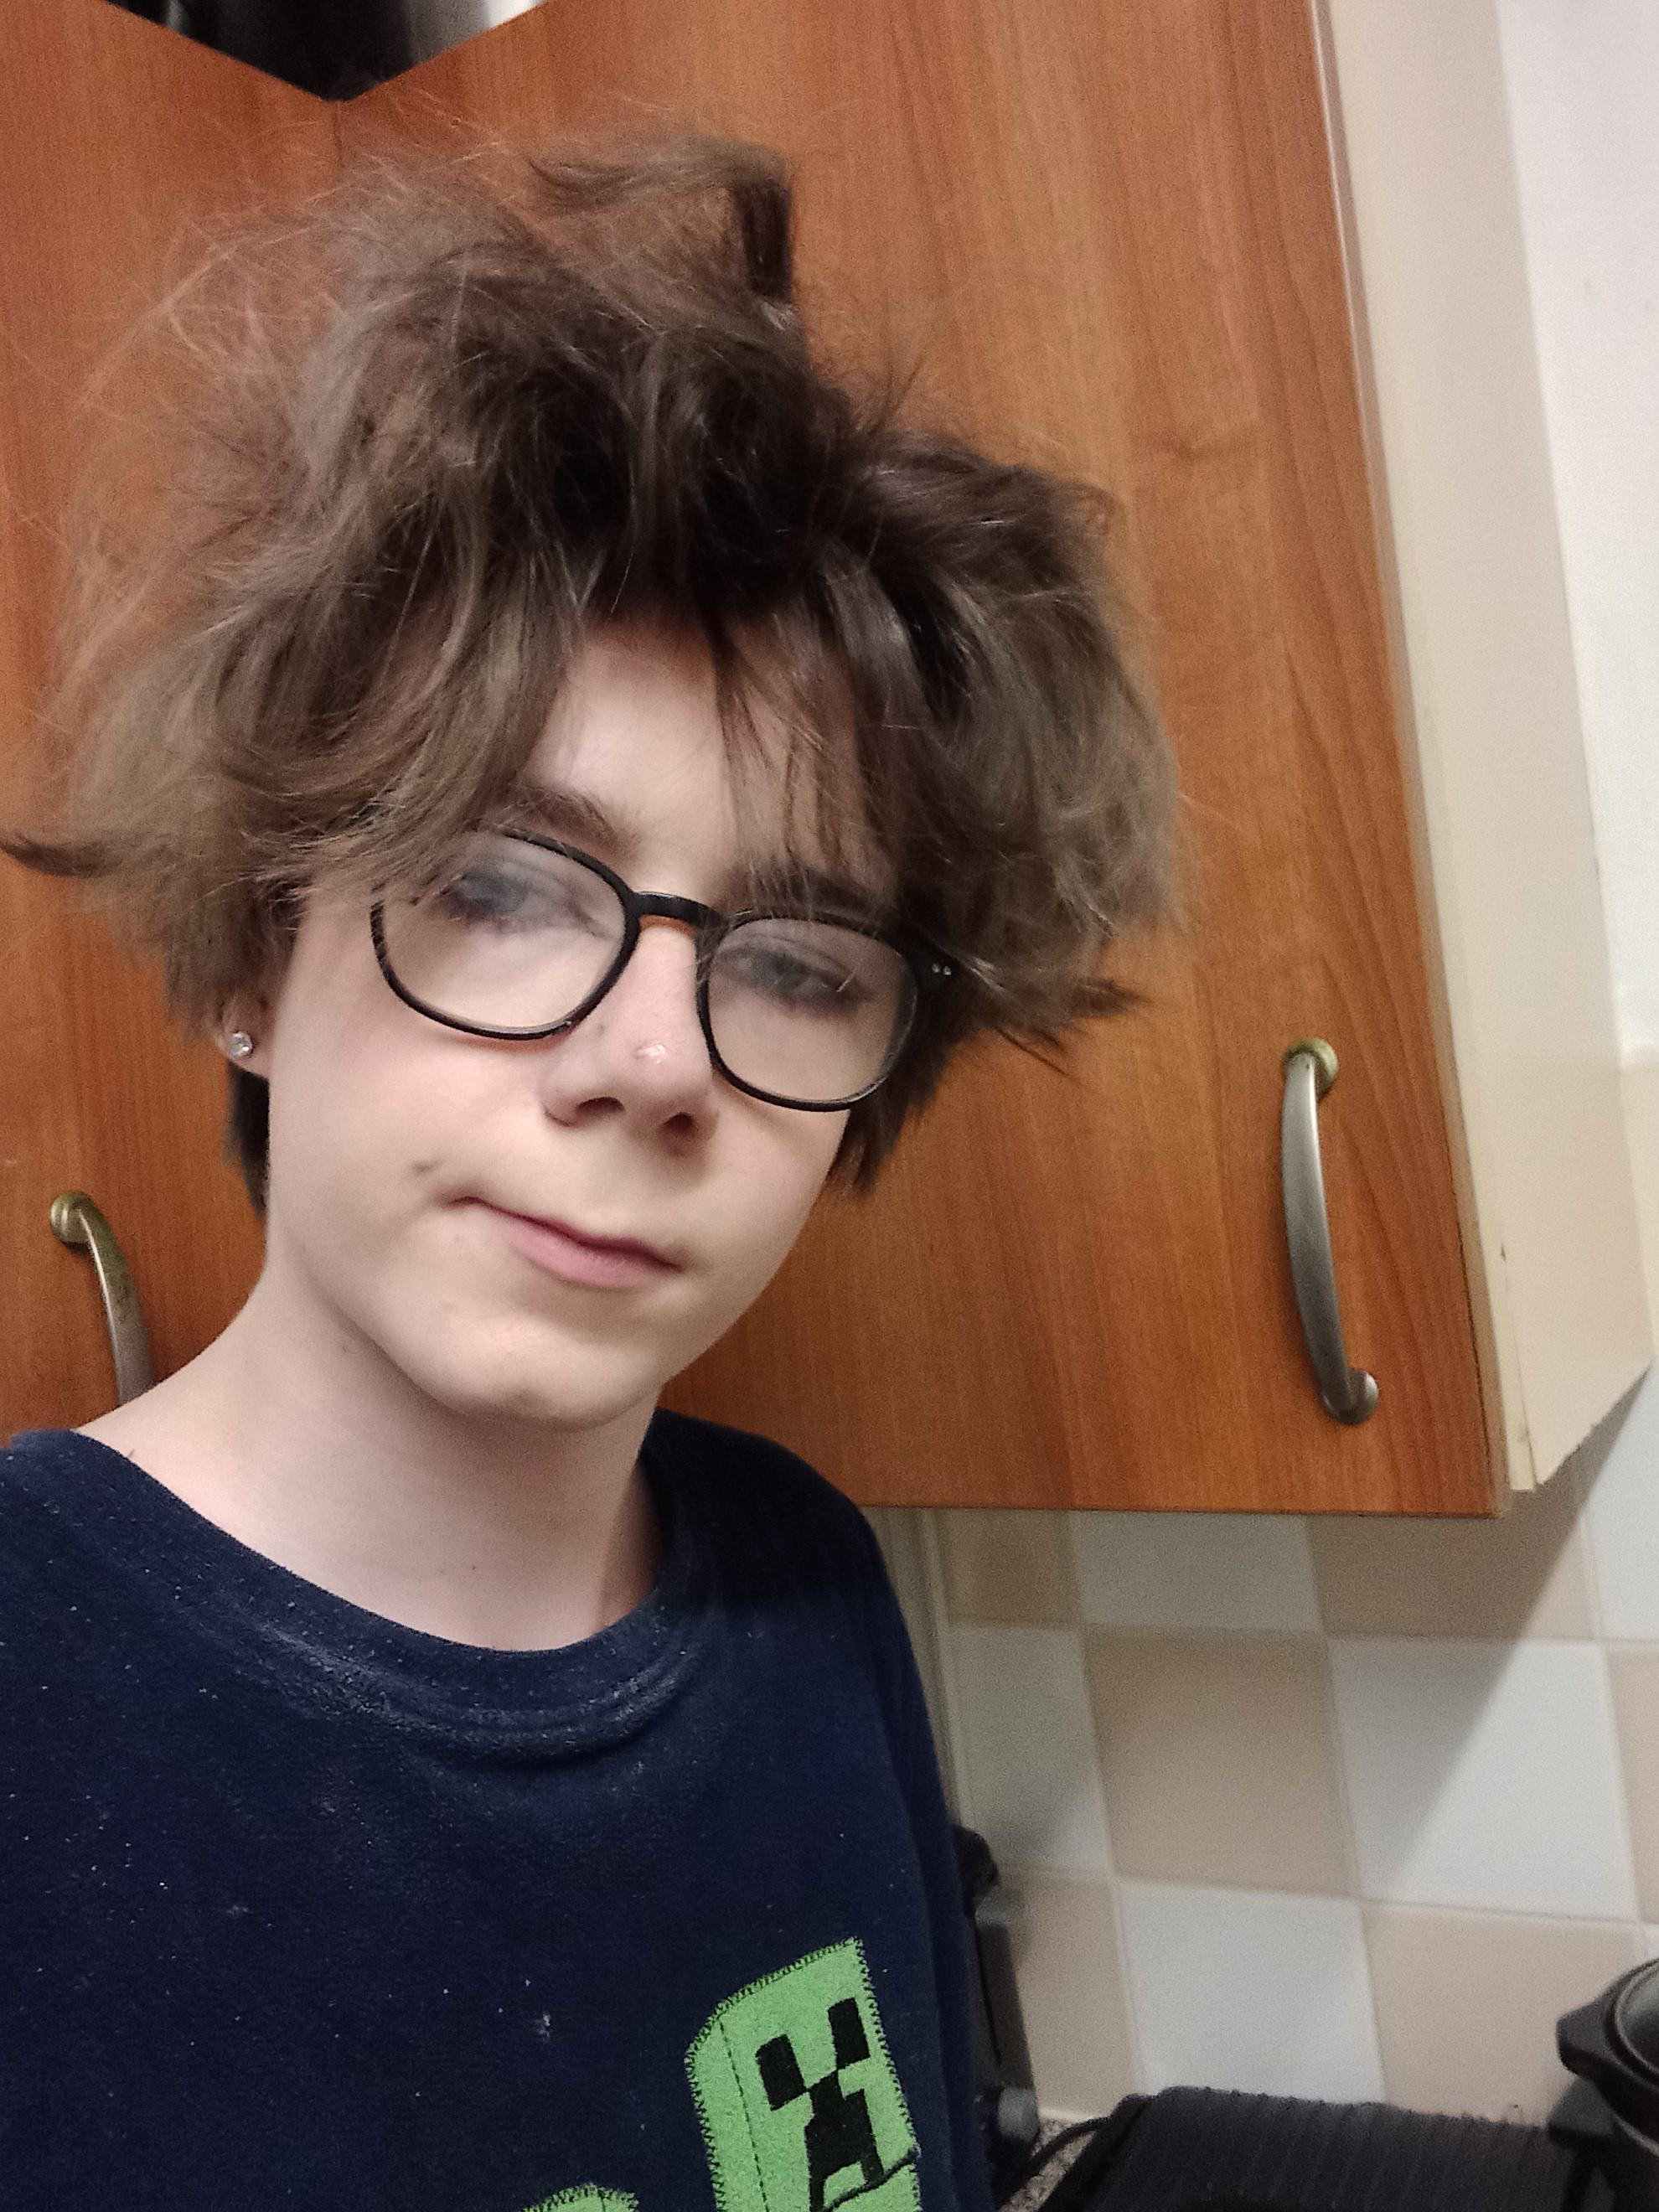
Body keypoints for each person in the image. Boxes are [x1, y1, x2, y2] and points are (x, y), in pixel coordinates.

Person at [0, 130, 1179, 2210]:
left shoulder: (811, 1584)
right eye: (500, 883)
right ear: (255, 953)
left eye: (797, 959)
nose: (656, 1063)